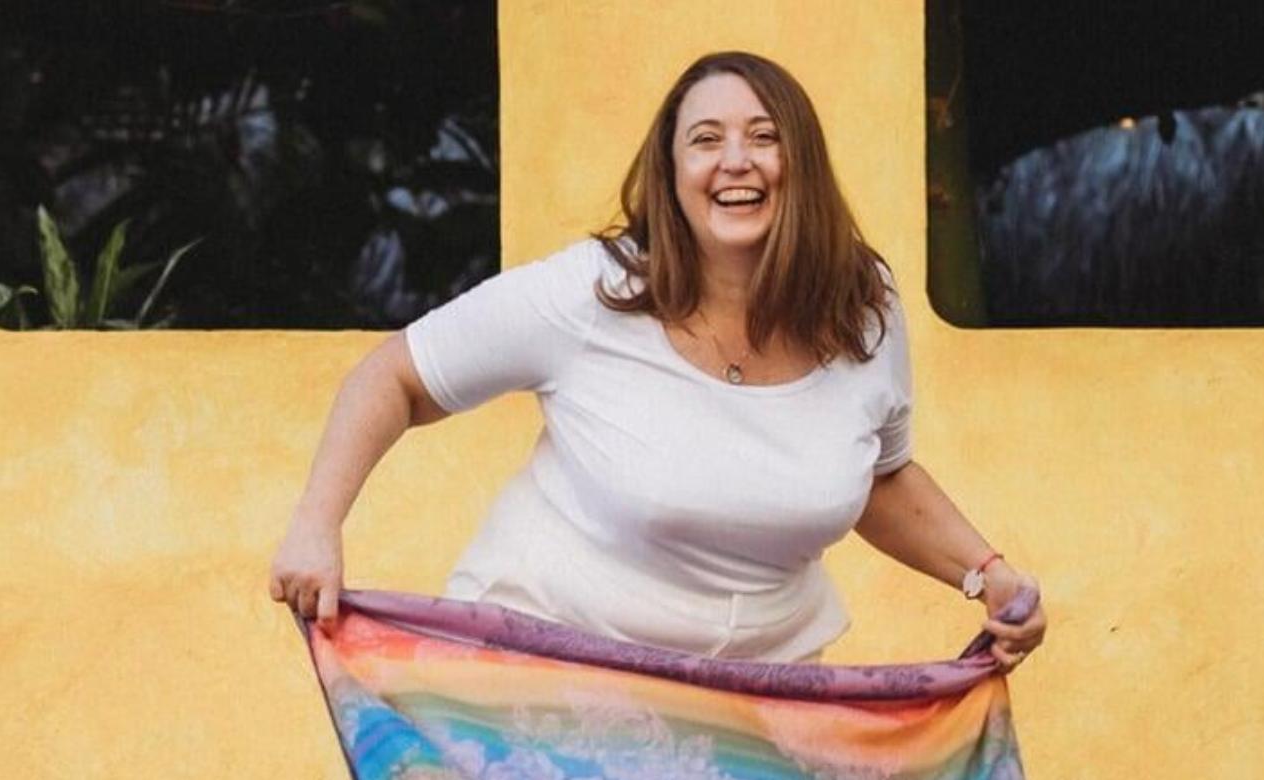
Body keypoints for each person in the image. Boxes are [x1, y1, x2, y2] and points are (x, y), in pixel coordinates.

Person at [270, 51, 1046, 668]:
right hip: (541, 672)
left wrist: (986, 573)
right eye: (705, 140)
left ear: (802, 164)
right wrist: (315, 527)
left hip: (748, 703)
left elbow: (876, 474)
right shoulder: (590, 293)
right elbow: (395, 377)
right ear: (671, 176)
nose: (735, 160)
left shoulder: (862, 304)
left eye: (764, 136)